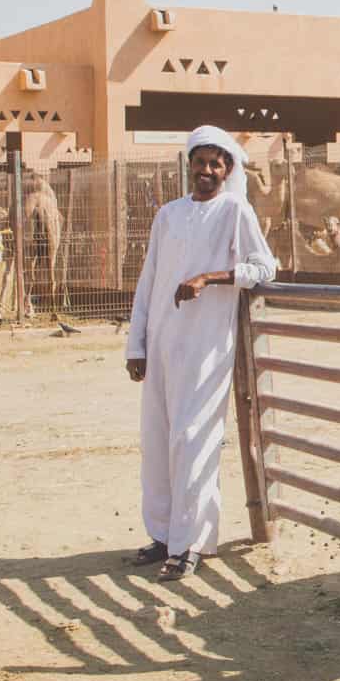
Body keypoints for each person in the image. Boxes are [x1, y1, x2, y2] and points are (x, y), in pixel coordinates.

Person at [125, 126, 278, 580]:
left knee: (193, 440)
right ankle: (163, 534)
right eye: (201, 161)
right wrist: (137, 344)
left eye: (216, 163)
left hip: (207, 348)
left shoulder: (235, 210)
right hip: (162, 345)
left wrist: (210, 278)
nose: (207, 170)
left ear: (228, 169)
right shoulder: (168, 215)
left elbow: (265, 266)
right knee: (157, 442)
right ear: (189, 165)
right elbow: (148, 282)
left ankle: (189, 544)